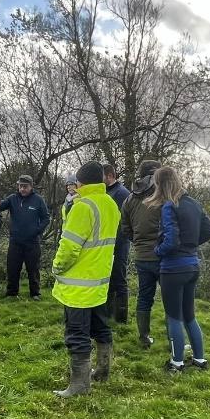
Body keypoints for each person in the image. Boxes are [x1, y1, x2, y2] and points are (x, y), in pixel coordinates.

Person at [51, 161, 120, 396]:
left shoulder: (82, 207)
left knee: (77, 334)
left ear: (80, 182)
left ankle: (79, 385)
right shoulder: (110, 203)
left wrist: (57, 268)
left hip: (78, 286)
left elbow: (68, 248)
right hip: (100, 282)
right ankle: (102, 370)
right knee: (101, 327)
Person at [148, 165, 210, 372]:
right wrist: (191, 244)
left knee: (173, 316)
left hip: (173, 268)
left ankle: (176, 363)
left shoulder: (170, 206)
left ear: (160, 184)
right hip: (193, 266)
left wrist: (157, 250)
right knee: (189, 315)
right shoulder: (194, 203)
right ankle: (200, 359)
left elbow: (171, 242)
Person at [119, 160, 162, 349]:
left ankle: (144, 337)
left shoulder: (130, 198)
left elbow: (125, 227)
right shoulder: (163, 195)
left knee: (144, 296)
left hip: (141, 255)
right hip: (163, 255)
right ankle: (174, 338)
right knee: (171, 298)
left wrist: (137, 241)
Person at [0, 175, 50, 299]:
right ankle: (12, 293)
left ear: (31, 187)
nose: (22, 189)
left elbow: (46, 218)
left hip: (32, 242)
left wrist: (37, 230)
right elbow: (0, 206)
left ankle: (35, 293)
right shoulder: (12, 198)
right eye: (20, 186)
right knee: (13, 268)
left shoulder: (38, 200)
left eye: (25, 186)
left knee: (33, 269)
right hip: (15, 242)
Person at [104, 163, 133, 324]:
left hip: (119, 244)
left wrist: (118, 242)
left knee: (119, 279)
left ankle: (121, 318)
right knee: (108, 279)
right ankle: (107, 314)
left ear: (109, 176)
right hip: (107, 244)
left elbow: (125, 222)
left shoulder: (122, 193)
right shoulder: (107, 192)